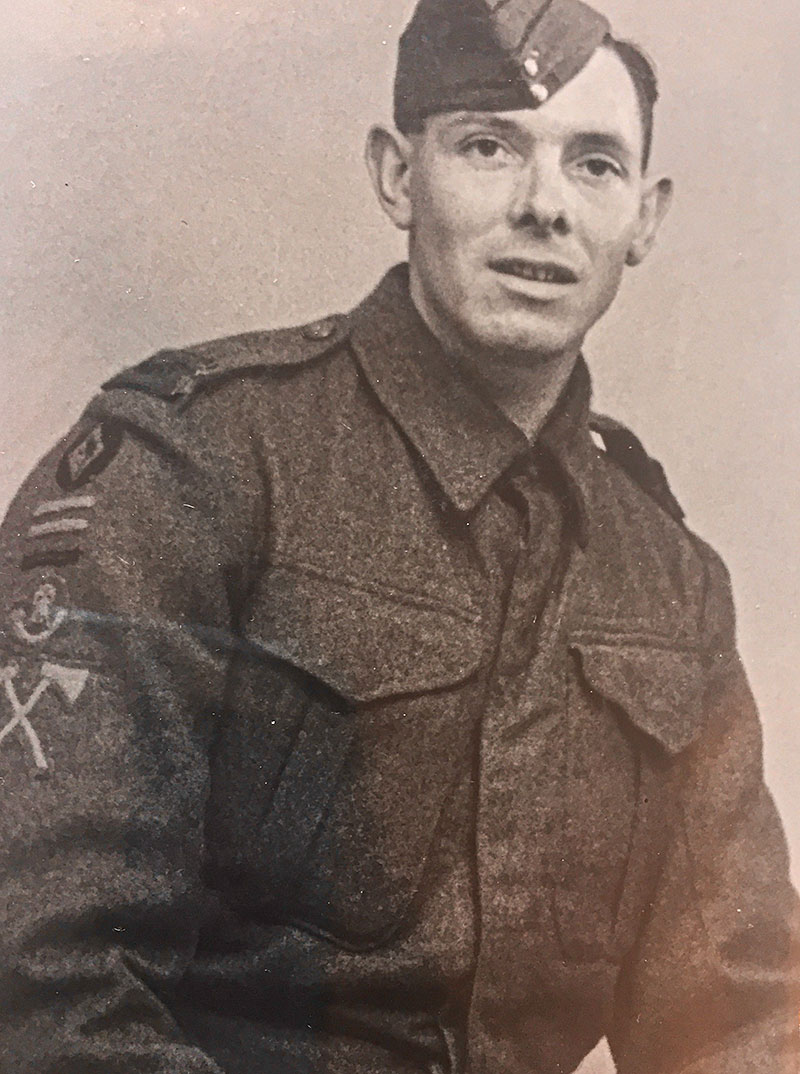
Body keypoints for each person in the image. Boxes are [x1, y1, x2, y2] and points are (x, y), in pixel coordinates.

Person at [0, 0, 797, 1070]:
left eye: (594, 164)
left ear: (643, 219)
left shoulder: (670, 583)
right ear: (396, 175)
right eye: (488, 147)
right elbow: (44, 977)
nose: (544, 206)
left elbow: (738, 1016)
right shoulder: (199, 460)